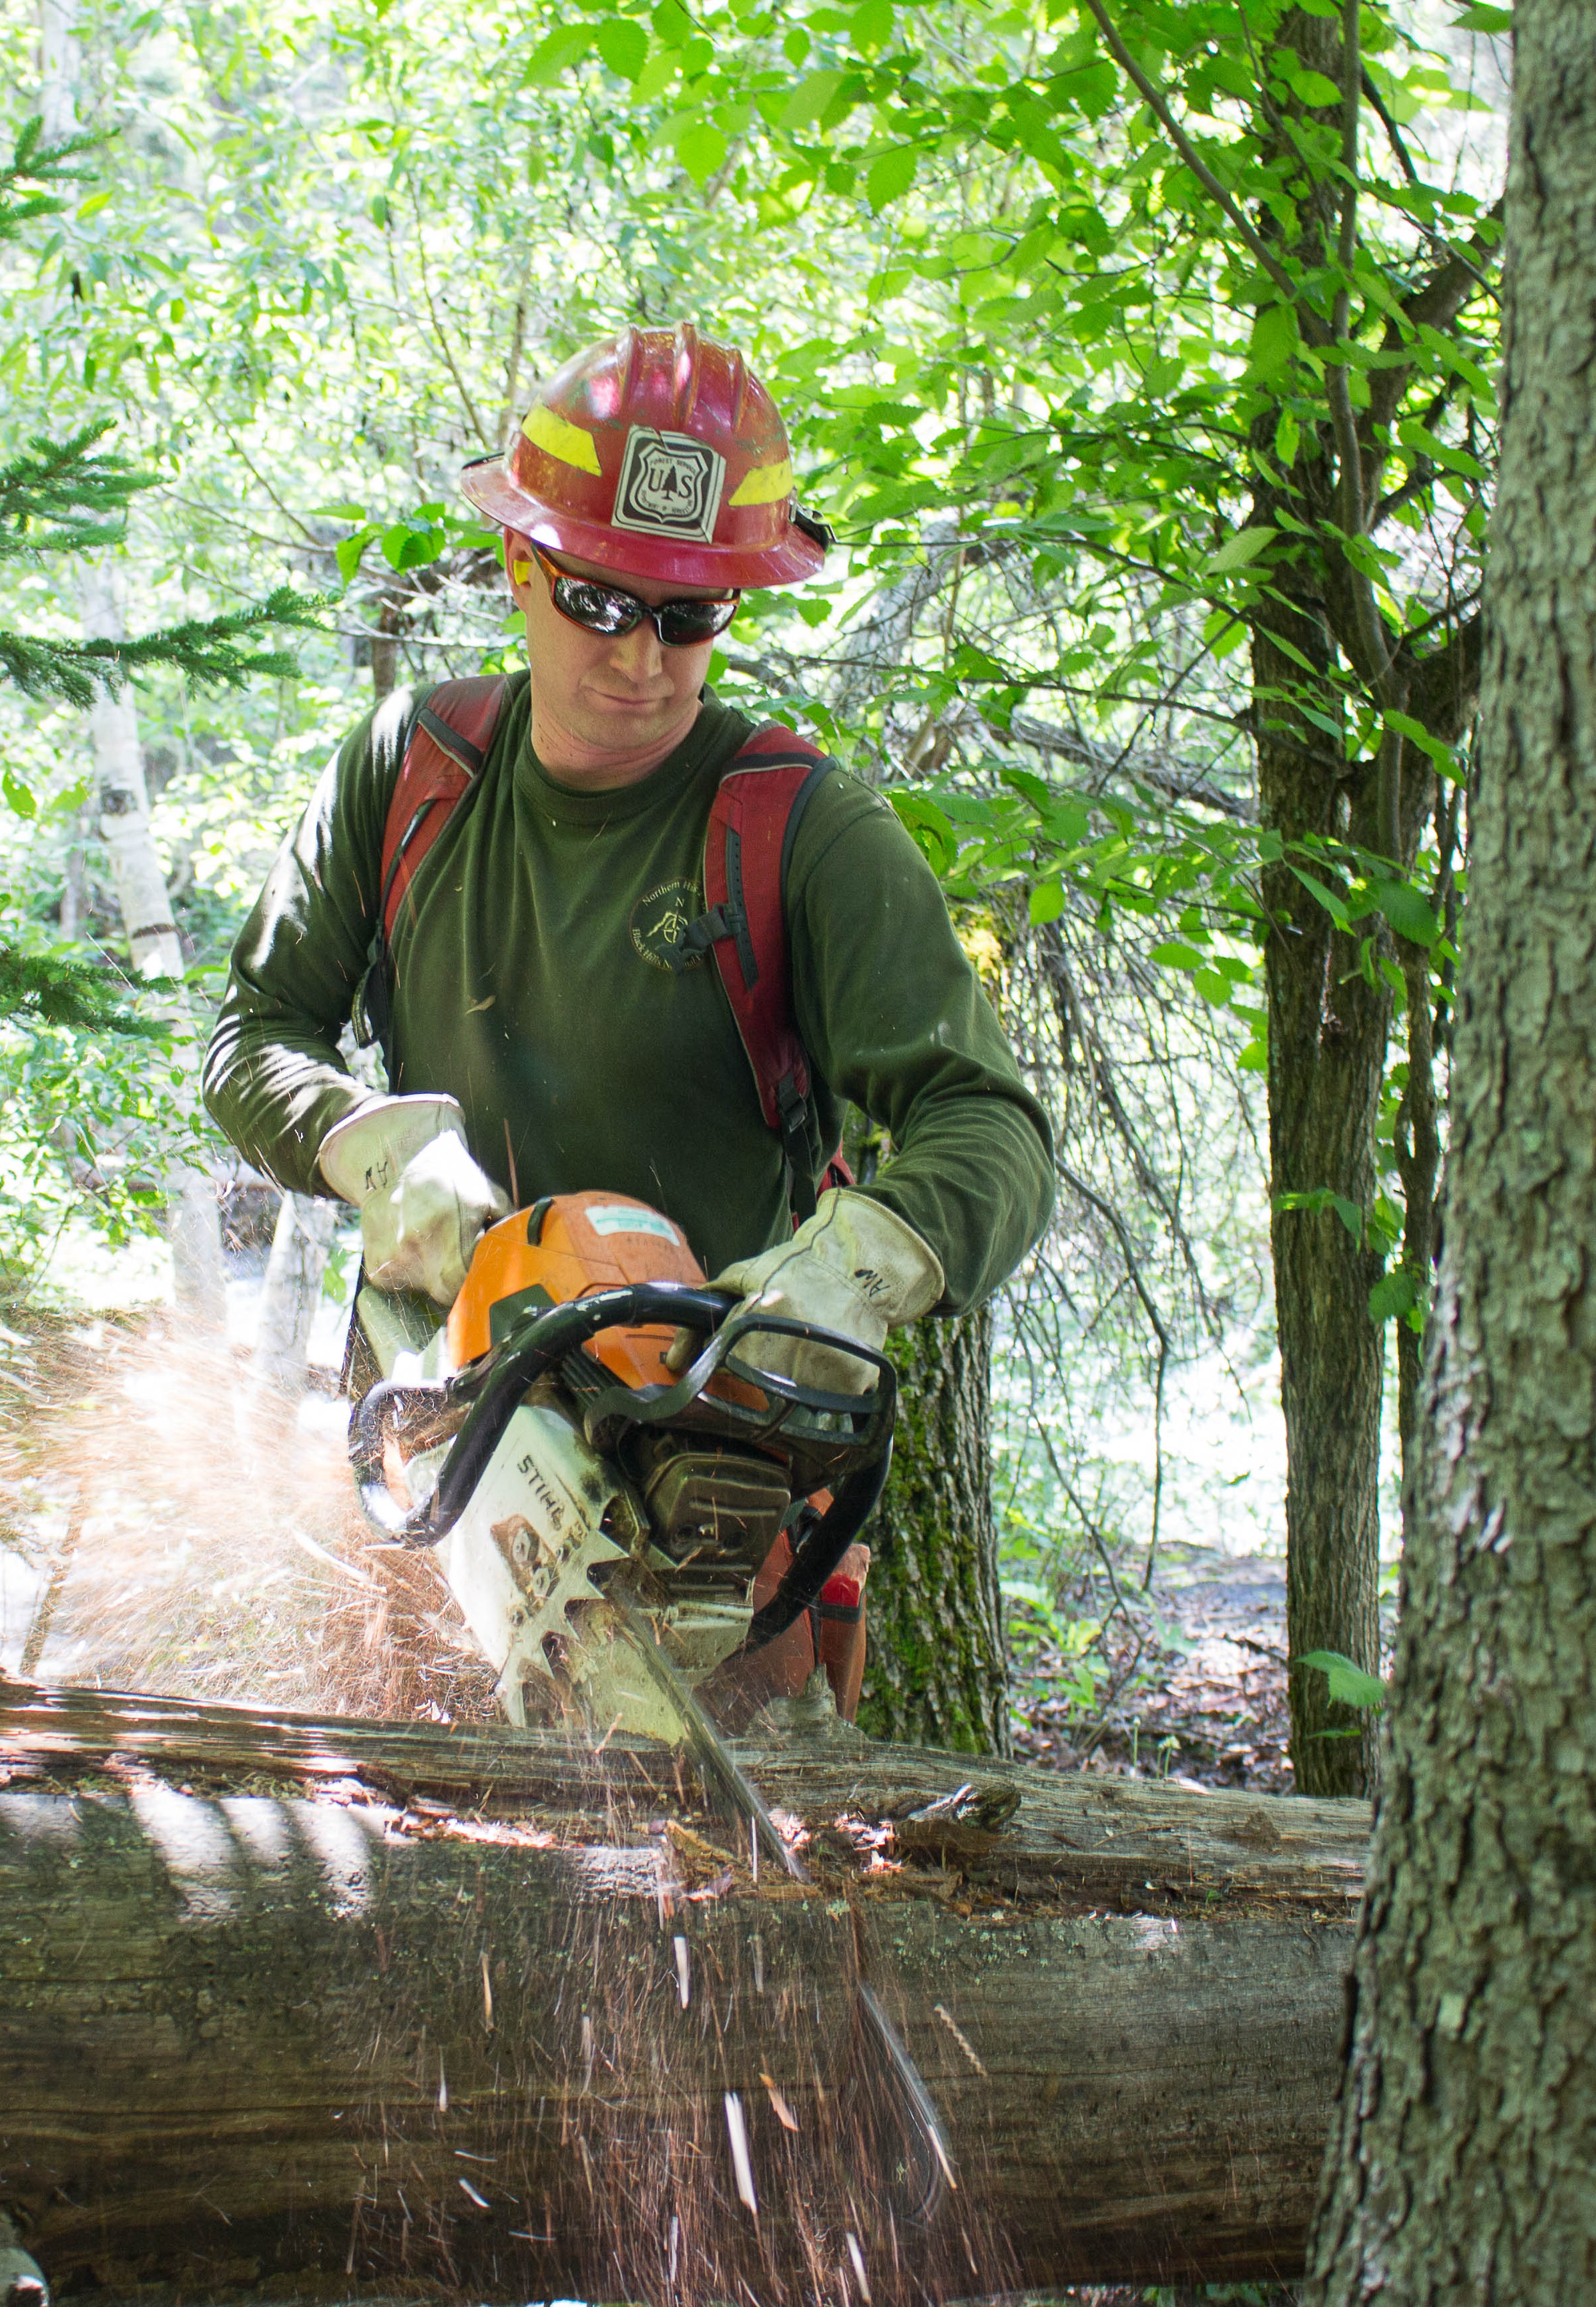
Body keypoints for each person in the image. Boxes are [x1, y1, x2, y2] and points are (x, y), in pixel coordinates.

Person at [204, 323, 1054, 1704]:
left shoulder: (798, 828)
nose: (642, 659)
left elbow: (993, 1127)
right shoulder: (409, 773)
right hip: (437, 1447)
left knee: (735, 1884)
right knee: (394, 1873)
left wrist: (854, 1265)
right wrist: (370, 1147)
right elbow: (253, 1035)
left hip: (714, 1480)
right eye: (600, 602)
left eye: (689, 615)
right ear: (521, 567)